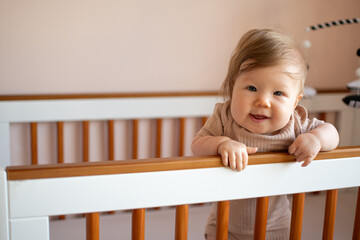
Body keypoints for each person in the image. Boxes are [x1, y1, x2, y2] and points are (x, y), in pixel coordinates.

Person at [191, 28, 339, 240]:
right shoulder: (225, 118)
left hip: (275, 228)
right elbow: (197, 145)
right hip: (224, 226)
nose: (263, 101)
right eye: (251, 88)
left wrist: (316, 138)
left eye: (278, 93)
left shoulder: (295, 125)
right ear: (233, 88)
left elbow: (332, 133)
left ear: (295, 102)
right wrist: (221, 143)